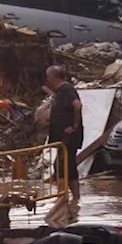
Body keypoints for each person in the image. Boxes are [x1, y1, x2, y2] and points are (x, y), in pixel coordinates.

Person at [46, 65, 84, 203]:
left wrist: (74, 126)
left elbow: (77, 105)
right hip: (62, 137)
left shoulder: (67, 89)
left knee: (63, 166)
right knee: (65, 166)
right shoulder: (60, 91)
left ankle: (65, 197)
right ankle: (70, 197)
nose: (47, 80)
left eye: (48, 77)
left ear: (52, 77)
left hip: (69, 137)